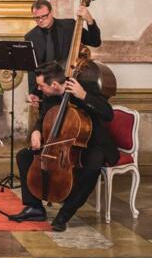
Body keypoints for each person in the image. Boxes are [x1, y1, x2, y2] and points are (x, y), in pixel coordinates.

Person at [9, 61, 118, 232]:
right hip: (62, 141)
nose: (38, 89)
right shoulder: (49, 95)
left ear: (54, 84)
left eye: (41, 85)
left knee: (92, 169)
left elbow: (108, 114)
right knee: (24, 155)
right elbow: (45, 116)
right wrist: (36, 131)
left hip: (91, 142)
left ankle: (64, 215)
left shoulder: (84, 87)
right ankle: (34, 208)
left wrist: (84, 96)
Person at [25, 0, 101, 107]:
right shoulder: (31, 36)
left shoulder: (69, 26)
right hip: (48, 92)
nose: (40, 20)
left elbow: (95, 41)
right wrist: (33, 93)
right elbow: (32, 69)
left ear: (51, 12)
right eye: (36, 18)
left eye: (44, 16)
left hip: (71, 85)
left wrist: (89, 20)